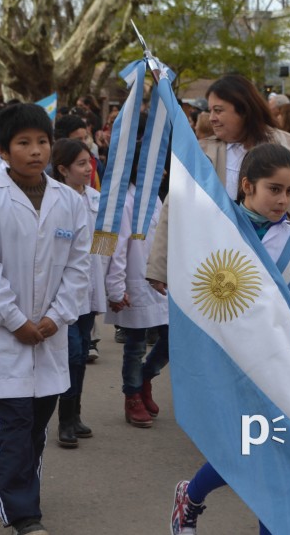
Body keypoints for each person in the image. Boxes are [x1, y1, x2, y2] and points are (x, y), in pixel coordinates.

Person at [170, 143, 290, 535]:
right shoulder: (219, 228)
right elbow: (195, 283)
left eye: (289, 191)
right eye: (274, 189)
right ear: (247, 185)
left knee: (271, 458)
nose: (283, 200)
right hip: (226, 361)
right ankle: (192, 494)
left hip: (276, 363)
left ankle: (195, 497)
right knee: (244, 451)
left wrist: (278, 308)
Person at [0, 103, 89, 535]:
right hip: (8, 335)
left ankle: (20, 494)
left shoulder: (70, 203)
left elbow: (78, 266)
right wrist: (17, 321)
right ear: (2, 150)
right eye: (23, 143)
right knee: (14, 425)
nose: (35, 151)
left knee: (37, 425)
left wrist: (57, 317)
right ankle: (22, 513)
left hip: (51, 335)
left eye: (41, 142)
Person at [147, 74, 290, 292]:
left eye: (218, 110)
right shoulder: (201, 153)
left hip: (280, 273)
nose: (211, 118)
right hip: (217, 274)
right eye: (210, 110)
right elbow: (174, 208)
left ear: (244, 110)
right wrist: (159, 266)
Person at [104, 143, 170, 429]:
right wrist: (116, 288)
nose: (165, 171)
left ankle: (145, 377)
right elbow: (117, 247)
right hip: (135, 281)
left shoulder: (154, 197)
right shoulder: (127, 200)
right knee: (135, 343)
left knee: (174, 339)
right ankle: (132, 395)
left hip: (160, 282)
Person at [50, 138, 106, 447]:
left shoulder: (97, 199)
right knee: (70, 353)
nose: (88, 169)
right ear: (62, 169)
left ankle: (75, 415)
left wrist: (111, 283)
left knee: (82, 351)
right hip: (63, 290)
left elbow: (104, 246)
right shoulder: (54, 201)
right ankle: (64, 420)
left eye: (90, 163)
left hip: (90, 288)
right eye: (81, 164)